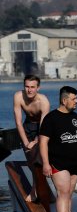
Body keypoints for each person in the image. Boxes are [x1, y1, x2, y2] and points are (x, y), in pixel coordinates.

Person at [39, 86, 77, 212]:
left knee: (68, 195)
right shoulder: (51, 118)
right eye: (74, 99)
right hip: (58, 162)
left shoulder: (76, 117)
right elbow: (43, 142)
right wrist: (45, 163)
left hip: (75, 163)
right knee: (63, 193)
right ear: (64, 100)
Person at [13, 74, 50, 202]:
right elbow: (18, 122)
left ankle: (35, 191)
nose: (29, 90)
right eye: (27, 86)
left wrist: (36, 141)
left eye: (32, 87)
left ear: (38, 88)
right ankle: (43, 189)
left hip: (42, 129)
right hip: (27, 127)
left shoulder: (43, 101)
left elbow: (44, 126)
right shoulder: (18, 96)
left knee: (37, 160)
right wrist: (26, 143)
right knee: (30, 160)